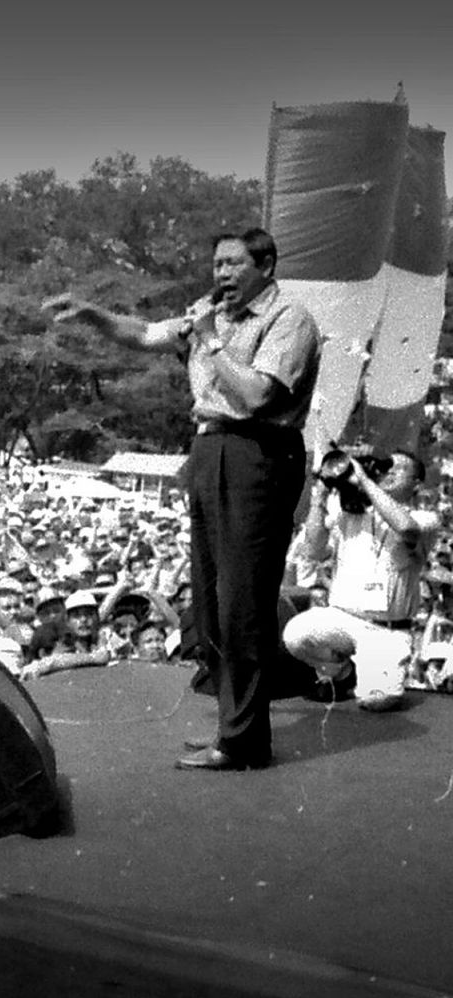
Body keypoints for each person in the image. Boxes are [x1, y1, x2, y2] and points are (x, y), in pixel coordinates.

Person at [47, 227, 321, 770]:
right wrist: (93, 314)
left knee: (243, 601)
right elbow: (147, 333)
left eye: (232, 264)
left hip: (258, 453)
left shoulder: (289, 318)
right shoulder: (208, 313)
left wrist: (210, 339)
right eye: (216, 263)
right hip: (208, 450)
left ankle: (244, 741)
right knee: (211, 602)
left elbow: (256, 395)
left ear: (266, 265)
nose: (219, 274)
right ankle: (233, 727)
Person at [282, 449, 438, 711]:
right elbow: (313, 550)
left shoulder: (425, 519)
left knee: (376, 701)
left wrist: (365, 480)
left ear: (416, 483)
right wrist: (319, 495)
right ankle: (343, 674)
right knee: (296, 634)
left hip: (386, 628)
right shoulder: (350, 514)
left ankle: (368, 673)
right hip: (342, 617)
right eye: (386, 468)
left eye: (399, 469)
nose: (389, 473)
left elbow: (406, 529)